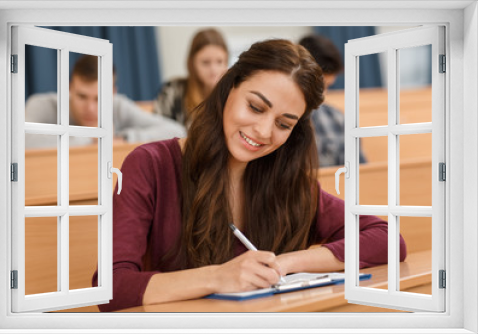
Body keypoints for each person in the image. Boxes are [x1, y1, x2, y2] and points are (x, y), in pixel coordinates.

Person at [93, 39, 406, 312]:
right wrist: (219, 277)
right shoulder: (150, 165)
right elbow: (111, 287)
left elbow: (388, 240)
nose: (264, 132)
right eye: (256, 107)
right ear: (229, 88)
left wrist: (284, 264)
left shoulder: (287, 182)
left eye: (284, 124)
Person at [25, 55, 186, 149]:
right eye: (82, 96)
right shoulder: (42, 105)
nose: (90, 108)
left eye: (99, 98)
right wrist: (93, 138)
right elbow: (20, 140)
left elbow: (177, 131)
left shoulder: (118, 106)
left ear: (113, 93)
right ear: (69, 88)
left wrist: (123, 138)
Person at [299, 34, 367, 167]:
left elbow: (361, 173)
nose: (322, 96)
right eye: (317, 87)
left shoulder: (337, 119)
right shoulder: (275, 124)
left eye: (327, 86)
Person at [152, 28, 228, 127]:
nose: (214, 70)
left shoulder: (231, 93)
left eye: (219, 62)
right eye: (205, 62)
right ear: (192, 63)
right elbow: (158, 129)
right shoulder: (173, 90)